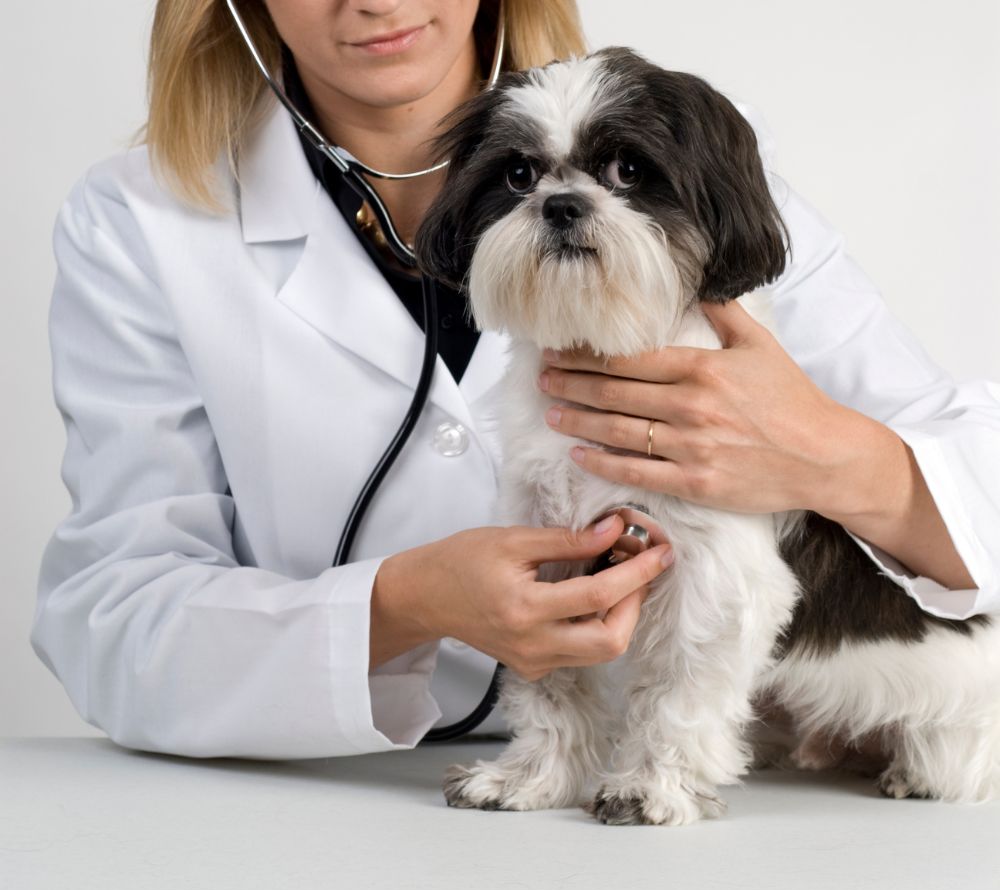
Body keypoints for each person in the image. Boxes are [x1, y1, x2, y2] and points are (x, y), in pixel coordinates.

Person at [29, 0, 1000, 761]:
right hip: (327, 804)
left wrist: (833, 460)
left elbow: (972, 480)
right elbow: (111, 626)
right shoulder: (141, 221)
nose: (375, 1)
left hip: (710, 783)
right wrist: (397, 606)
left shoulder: (688, 159)